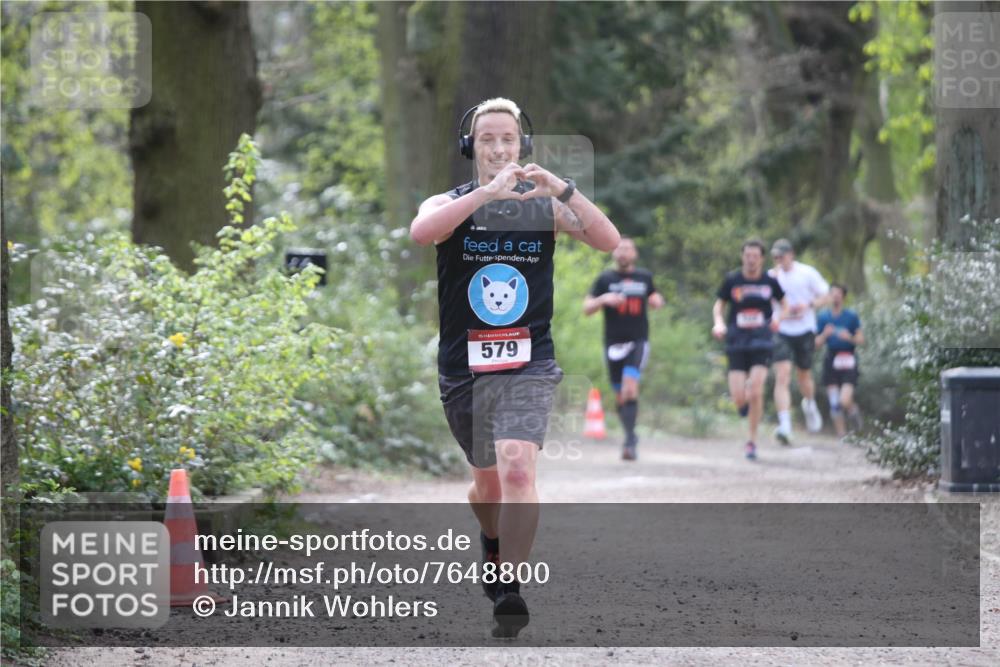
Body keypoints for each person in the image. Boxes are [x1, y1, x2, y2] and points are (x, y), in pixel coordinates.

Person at [410, 97, 620, 637]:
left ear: (521, 145)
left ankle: (510, 588)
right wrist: (486, 194)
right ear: (471, 147)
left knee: (518, 467)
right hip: (464, 368)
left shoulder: (542, 208)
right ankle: (492, 540)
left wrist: (563, 189)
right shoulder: (450, 202)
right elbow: (422, 232)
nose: (499, 148)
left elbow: (608, 240)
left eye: (508, 138)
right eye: (487, 139)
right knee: (487, 488)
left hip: (529, 361)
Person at [583, 238, 664, 460]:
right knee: (620, 394)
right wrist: (603, 299)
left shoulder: (644, 277)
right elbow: (586, 307)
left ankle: (629, 442)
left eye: (627, 249)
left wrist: (657, 301)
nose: (623, 252)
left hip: (638, 341)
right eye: (619, 248)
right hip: (612, 343)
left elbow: (656, 298)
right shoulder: (605, 279)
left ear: (634, 254)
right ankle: (631, 435)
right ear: (613, 253)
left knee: (629, 387)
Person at [712, 239, 788, 460]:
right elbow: (719, 305)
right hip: (737, 340)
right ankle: (742, 405)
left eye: (755, 256)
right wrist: (719, 323)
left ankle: (752, 441)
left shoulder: (769, 281)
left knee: (755, 391)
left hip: (761, 340)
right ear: (742, 257)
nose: (751, 260)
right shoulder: (732, 280)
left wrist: (778, 319)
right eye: (747, 255)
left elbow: (784, 304)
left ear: (762, 259)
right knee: (739, 397)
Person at [768, 238, 830, 444]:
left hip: (804, 329)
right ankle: (785, 426)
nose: (779, 260)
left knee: (804, 374)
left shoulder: (807, 273)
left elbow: (826, 296)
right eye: (775, 257)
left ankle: (809, 403)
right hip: (781, 329)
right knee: (783, 374)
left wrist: (809, 304)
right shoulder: (771, 277)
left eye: (782, 255)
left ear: (791, 254)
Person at [815, 284, 864, 437]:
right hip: (831, 358)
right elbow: (815, 344)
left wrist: (849, 337)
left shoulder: (851, 316)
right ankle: (842, 435)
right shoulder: (823, 317)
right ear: (829, 296)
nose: (835, 297)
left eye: (838, 294)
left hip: (848, 358)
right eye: (833, 294)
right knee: (834, 402)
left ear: (843, 297)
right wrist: (825, 334)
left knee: (844, 400)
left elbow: (861, 340)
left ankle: (854, 413)